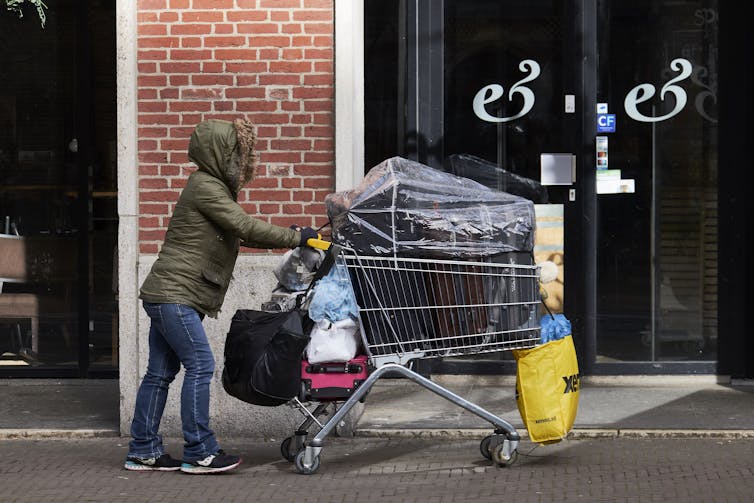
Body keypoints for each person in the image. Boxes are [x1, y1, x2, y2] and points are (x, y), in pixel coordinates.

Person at [124, 118, 317, 474]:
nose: (240, 162)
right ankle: (200, 451)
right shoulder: (205, 187)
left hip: (169, 293)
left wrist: (290, 235)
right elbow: (243, 225)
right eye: (236, 154)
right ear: (221, 154)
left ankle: (143, 450)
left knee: (160, 372)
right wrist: (298, 239)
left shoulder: (209, 188)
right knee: (200, 365)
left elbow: (241, 233)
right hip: (175, 294)